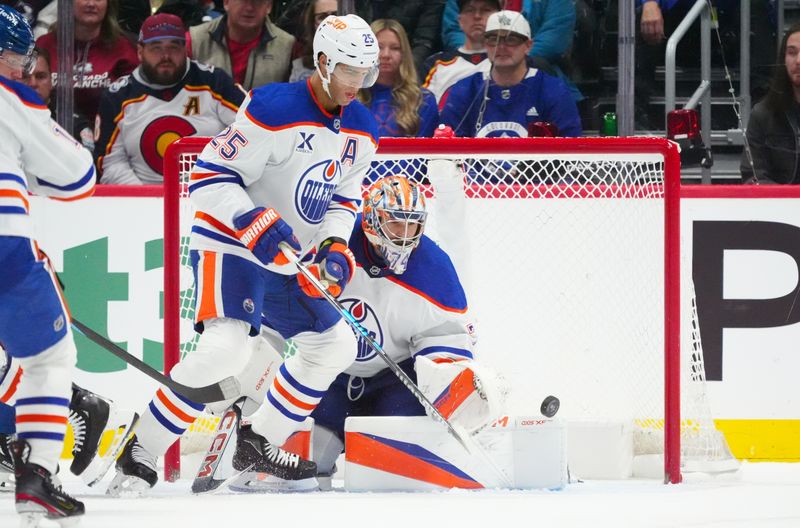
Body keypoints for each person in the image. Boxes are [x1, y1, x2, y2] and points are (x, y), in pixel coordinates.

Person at [108, 13, 379, 494]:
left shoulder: (363, 127)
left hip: (289, 257)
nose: (357, 84)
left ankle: (258, 442)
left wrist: (336, 245)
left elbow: (344, 197)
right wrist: (252, 221)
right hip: (230, 245)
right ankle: (141, 449)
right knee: (225, 351)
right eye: (349, 72)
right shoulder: (273, 108)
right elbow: (208, 175)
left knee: (334, 344)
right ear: (321, 62)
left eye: (365, 73)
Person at [306, 175, 504, 484]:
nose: (405, 235)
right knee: (308, 461)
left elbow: (445, 338)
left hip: (394, 380)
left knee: (389, 473)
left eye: (413, 225)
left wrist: (448, 380)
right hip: (329, 375)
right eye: (396, 223)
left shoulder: (434, 269)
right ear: (372, 219)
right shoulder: (334, 243)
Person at [0, 4, 96, 522]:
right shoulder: (10, 97)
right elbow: (78, 177)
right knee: (49, 361)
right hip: (4, 245)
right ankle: (37, 475)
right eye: (16, 56)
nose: (21, 69)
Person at [94, 13, 246, 185]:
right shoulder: (118, 96)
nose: (165, 56)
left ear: (185, 49)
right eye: (156, 47)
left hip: (211, 192)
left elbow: (249, 130)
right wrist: (144, 197)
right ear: (140, 52)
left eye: (173, 47)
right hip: (141, 199)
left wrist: (218, 180)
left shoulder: (214, 81)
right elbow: (110, 162)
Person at [439, 10, 581, 138]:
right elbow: (446, 153)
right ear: (486, 45)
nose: (501, 47)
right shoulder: (464, 89)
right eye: (494, 39)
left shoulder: (553, 90)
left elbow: (570, 150)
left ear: (528, 46)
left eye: (511, 39)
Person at [440, 0, 579, 100]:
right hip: (469, 67)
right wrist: (481, 58)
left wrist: (507, 58)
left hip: (535, 69)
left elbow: (553, 41)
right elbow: (454, 32)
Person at [34, 0, 139, 122]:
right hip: (49, 133)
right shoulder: (44, 44)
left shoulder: (126, 49)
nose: (91, 4)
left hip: (107, 135)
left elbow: (135, 103)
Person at [187, 0, 295, 90]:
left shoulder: (288, 46)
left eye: (258, 2)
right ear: (226, 3)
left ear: (268, 6)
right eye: (242, 1)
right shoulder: (194, 39)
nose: (249, 8)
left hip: (261, 115)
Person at [741, 23, 800, 185]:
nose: (799, 60)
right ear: (783, 59)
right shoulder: (762, 114)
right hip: (778, 207)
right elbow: (752, 176)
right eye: (792, 53)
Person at [361, 19, 438, 139]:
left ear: (404, 54)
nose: (386, 55)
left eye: (395, 48)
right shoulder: (348, 98)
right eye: (378, 47)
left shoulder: (423, 100)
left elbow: (423, 154)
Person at [422, 0, 498, 109]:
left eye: (485, 10)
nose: (477, 16)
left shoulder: (509, 63)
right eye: (470, 10)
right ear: (460, 20)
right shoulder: (434, 64)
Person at [23, 46, 94, 151]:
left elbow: (87, 162)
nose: (33, 83)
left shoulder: (72, 122)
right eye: (25, 77)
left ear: (51, 81)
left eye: (40, 76)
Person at [288, 0, 337, 83]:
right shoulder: (300, 68)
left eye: (336, 15)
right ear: (313, 24)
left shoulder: (362, 62)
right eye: (322, 17)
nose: (330, 22)